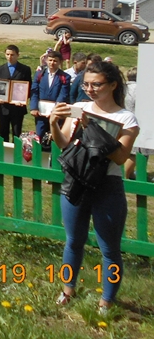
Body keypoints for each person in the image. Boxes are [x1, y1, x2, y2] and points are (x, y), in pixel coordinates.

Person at [49, 61, 139, 314]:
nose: (90, 89)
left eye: (96, 84)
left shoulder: (126, 118)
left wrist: (93, 127)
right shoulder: (78, 107)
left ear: (112, 85)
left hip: (107, 186)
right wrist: (55, 123)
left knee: (109, 249)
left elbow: (120, 157)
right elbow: (64, 145)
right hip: (76, 181)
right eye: (86, 84)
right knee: (73, 241)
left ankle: (106, 302)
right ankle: (68, 290)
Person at [30, 50, 71, 147]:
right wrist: (34, 108)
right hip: (40, 112)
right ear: (47, 61)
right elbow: (34, 91)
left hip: (55, 113)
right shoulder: (40, 74)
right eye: (50, 60)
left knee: (53, 137)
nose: (52, 63)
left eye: (55, 61)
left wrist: (55, 111)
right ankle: (39, 157)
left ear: (60, 62)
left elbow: (63, 95)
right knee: (39, 135)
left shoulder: (65, 77)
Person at [0, 44, 32, 142]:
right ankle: (2, 155)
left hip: (17, 107)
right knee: (2, 132)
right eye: (8, 54)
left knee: (16, 132)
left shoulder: (25, 69)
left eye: (12, 55)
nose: (10, 57)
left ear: (17, 55)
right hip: (3, 107)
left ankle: (16, 155)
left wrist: (23, 99)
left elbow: (28, 87)